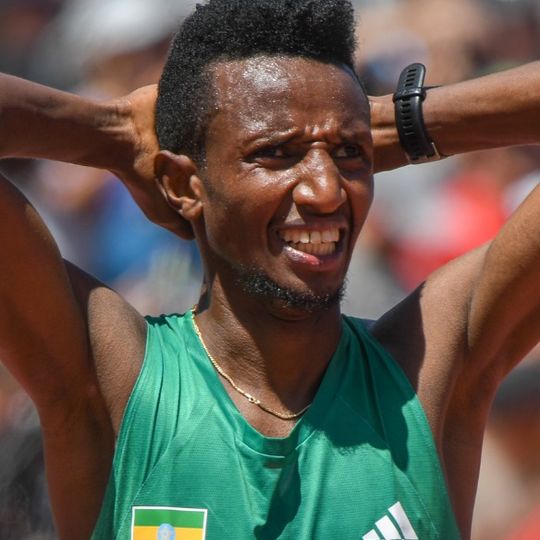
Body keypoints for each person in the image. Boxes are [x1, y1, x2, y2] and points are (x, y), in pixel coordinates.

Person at [0, 0, 539, 538]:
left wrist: (401, 123)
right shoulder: (113, 380)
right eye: (279, 152)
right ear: (183, 185)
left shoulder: (426, 374)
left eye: (349, 153)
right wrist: (113, 131)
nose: (326, 191)